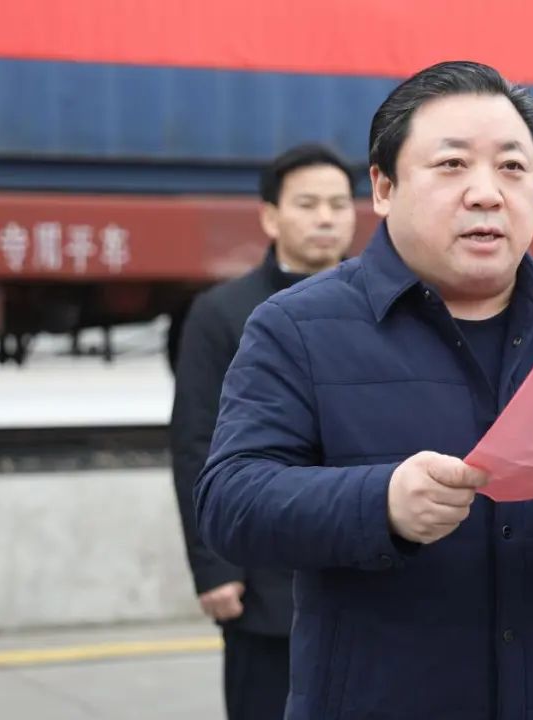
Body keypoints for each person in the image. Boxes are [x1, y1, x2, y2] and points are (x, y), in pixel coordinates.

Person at [195, 61, 533, 720]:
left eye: (513, 168)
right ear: (384, 187)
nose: (486, 193)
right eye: (452, 165)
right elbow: (231, 500)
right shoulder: (298, 326)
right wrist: (381, 502)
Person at [170, 143, 358, 720]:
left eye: (338, 204)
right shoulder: (223, 313)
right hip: (265, 586)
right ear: (271, 217)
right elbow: (196, 440)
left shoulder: (384, 308)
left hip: (367, 571)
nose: (325, 218)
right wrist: (214, 568)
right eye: (307, 204)